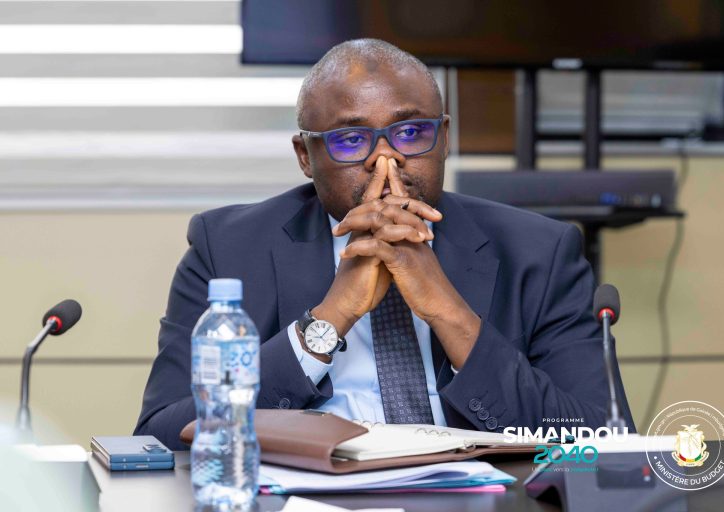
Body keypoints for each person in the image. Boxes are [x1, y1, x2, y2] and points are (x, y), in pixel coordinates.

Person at [135, 39, 634, 450]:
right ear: (305, 156)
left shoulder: (539, 251)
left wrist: (449, 313)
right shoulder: (228, 248)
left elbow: (603, 438)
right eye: (351, 139)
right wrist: (327, 321)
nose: (386, 160)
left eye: (411, 132)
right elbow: (162, 434)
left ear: (444, 139)